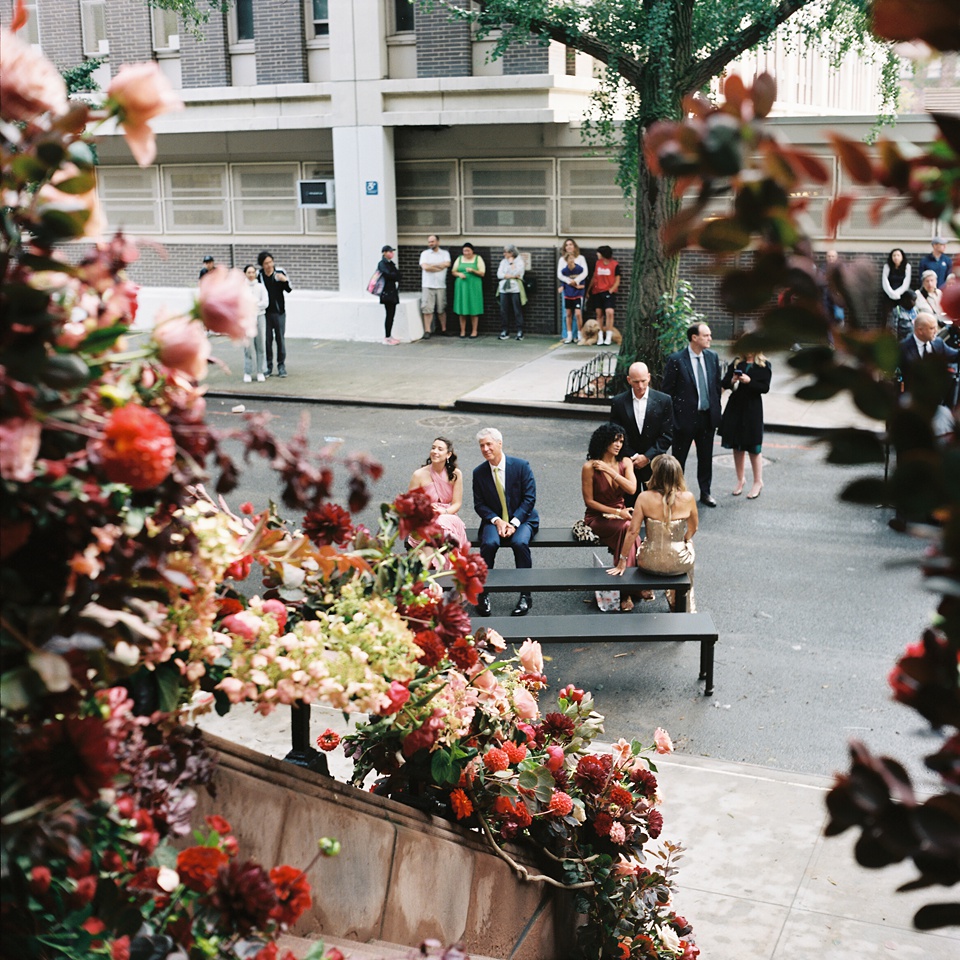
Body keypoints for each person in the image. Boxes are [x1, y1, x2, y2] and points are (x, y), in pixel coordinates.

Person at [606, 454, 698, 612]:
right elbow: (693, 528)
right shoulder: (688, 498)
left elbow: (633, 531)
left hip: (649, 561)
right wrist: (684, 540)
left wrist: (622, 561)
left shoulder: (644, 497)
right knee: (689, 548)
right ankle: (681, 606)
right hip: (678, 562)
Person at [472, 427, 539, 617]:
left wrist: (514, 523)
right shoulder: (479, 472)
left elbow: (529, 499)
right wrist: (497, 521)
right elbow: (480, 504)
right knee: (490, 543)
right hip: (494, 520)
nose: (485, 449)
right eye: (482, 445)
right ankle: (482, 594)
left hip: (523, 519)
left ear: (499, 444)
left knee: (520, 542)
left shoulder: (520, 466)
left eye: (489, 444)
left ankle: (526, 595)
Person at [661, 323, 722, 507]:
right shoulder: (677, 360)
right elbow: (667, 393)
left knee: (706, 458)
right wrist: (673, 420)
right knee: (679, 460)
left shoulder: (712, 357)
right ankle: (674, 493)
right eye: (706, 335)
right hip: (684, 420)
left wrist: (715, 411)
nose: (710, 338)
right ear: (694, 337)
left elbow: (716, 387)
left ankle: (706, 492)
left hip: (706, 418)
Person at [581, 423, 641, 610]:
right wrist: (617, 512)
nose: (618, 445)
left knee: (630, 529)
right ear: (603, 441)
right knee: (629, 530)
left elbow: (631, 488)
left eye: (621, 441)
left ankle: (625, 589)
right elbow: (589, 502)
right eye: (614, 440)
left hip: (621, 514)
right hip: (597, 517)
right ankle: (631, 589)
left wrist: (609, 470)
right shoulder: (589, 467)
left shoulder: (625, 462)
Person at [608, 361, 674, 495]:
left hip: (654, 464)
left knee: (655, 506)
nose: (640, 386)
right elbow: (616, 434)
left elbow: (667, 435)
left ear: (649, 377)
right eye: (636, 382)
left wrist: (647, 457)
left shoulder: (664, 400)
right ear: (629, 380)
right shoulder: (619, 402)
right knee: (631, 506)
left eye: (644, 381)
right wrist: (633, 455)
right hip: (628, 463)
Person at [720, 353, 772, 499]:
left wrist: (749, 381)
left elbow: (765, 387)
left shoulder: (764, 364)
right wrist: (733, 380)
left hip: (752, 408)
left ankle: (758, 481)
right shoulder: (736, 363)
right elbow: (724, 383)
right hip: (735, 407)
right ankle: (740, 479)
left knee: (754, 446)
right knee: (737, 445)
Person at [408, 437, 468, 548]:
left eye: (440, 449)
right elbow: (411, 504)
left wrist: (444, 511)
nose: (435, 451)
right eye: (433, 448)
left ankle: (446, 563)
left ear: (448, 454)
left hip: (448, 515)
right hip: (424, 518)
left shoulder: (456, 474)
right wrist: (426, 510)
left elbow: (457, 503)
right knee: (441, 531)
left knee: (445, 528)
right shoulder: (418, 475)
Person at [899, 314, 959, 398]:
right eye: (932, 328)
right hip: (912, 397)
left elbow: (955, 356)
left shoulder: (938, 343)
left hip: (937, 396)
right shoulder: (903, 348)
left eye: (935, 327)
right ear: (920, 330)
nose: (936, 331)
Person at [257, 250, 291, 378]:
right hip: (264, 313)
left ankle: (281, 366)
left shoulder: (279, 273)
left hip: (279, 312)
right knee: (267, 341)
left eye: (271, 262)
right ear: (262, 264)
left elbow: (289, 289)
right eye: (266, 263)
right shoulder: (259, 276)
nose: (269, 265)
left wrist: (284, 280)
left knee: (280, 340)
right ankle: (268, 367)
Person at [587, 245, 621, 345]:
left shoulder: (615, 265)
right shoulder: (597, 263)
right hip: (597, 292)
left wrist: (611, 289)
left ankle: (609, 337)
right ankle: (600, 336)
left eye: (599, 253)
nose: (597, 254)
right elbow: (594, 277)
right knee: (599, 314)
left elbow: (617, 279)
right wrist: (588, 291)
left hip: (608, 292)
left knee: (609, 312)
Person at [557, 239, 588, 343]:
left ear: (574, 246)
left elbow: (585, 272)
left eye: (571, 244)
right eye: (567, 245)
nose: (569, 246)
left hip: (578, 289)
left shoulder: (581, 258)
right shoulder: (562, 260)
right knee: (567, 313)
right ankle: (566, 335)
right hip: (567, 289)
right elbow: (560, 274)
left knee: (578, 314)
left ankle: (577, 335)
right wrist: (569, 281)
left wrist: (576, 281)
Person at [419, 234, 451, 339]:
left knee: (442, 308)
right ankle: (427, 330)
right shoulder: (425, 254)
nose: (430, 244)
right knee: (427, 309)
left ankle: (443, 329)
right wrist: (438, 266)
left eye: (432, 241)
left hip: (441, 285)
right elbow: (425, 267)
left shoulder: (445, 253)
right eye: (429, 242)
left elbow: (447, 264)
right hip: (428, 285)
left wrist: (431, 266)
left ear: (438, 242)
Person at [452, 242, 485, 338]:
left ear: (472, 251)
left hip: (474, 285)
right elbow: (453, 271)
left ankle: (474, 331)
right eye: (464, 251)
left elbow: (482, 273)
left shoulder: (478, 258)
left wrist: (473, 270)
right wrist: (459, 274)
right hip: (461, 286)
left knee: (473, 308)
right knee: (462, 308)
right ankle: (462, 331)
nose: (466, 253)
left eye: (468, 250)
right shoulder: (459, 258)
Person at [242, 264, 268, 383]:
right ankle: (248, 371)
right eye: (249, 272)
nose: (251, 274)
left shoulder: (261, 287)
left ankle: (260, 371)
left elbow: (265, 303)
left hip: (260, 317)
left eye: (253, 272)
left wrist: (253, 305)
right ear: (245, 274)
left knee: (260, 345)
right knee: (248, 346)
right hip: (246, 318)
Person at [496, 245, 526, 341]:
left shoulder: (519, 261)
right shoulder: (502, 262)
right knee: (503, 310)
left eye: (506, 252)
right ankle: (505, 330)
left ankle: (520, 331)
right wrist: (511, 276)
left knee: (517, 310)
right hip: (503, 288)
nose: (504, 254)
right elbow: (499, 274)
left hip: (515, 288)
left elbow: (517, 271)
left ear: (511, 253)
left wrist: (511, 263)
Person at [377, 245, 401, 345]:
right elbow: (388, 275)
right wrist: (394, 275)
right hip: (387, 293)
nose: (391, 253)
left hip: (392, 292)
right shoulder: (382, 264)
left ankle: (389, 335)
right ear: (384, 253)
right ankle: (387, 337)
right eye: (389, 252)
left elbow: (397, 275)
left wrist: (395, 275)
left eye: (392, 251)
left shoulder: (391, 264)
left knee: (391, 315)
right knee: (389, 314)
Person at [881, 247, 911, 322]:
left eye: (898, 255)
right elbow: (885, 281)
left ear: (902, 257)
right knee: (887, 316)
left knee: (902, 316)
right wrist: (891, 293)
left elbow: (906, 282)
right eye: (894, 255)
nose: (896, 257)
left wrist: (898, 293)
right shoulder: (887, 266)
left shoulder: (907, 267)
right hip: (888, 295)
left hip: (902, 295)